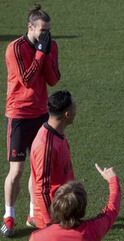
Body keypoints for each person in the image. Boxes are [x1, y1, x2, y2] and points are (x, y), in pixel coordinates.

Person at [2, 4, 60, 237]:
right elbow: (26, 79)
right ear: (30, 27)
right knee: (16, 170)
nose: (46, 34)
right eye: (42, 30)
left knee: (39, 170)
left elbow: (54, 80)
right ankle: (9, 215)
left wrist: (47, 54)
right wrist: (40, 53)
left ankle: (33, 214)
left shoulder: (50, 45)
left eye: (48, 30)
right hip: (19, 115)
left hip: (41, 114)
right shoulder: (14, 48)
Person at [29, 163, 121, 241]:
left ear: (55, 205)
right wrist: (112, 180)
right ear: (82, 208)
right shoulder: (92, 230)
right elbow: (112, 210)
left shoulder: (37, 237)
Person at [29, 90, 76, 229]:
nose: (76, 111)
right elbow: (41, 189)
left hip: (65, 210)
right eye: (74, 107)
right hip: (54, 216)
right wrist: (51, 222)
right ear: (67, 114)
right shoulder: (45, 146)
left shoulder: (58, 134)